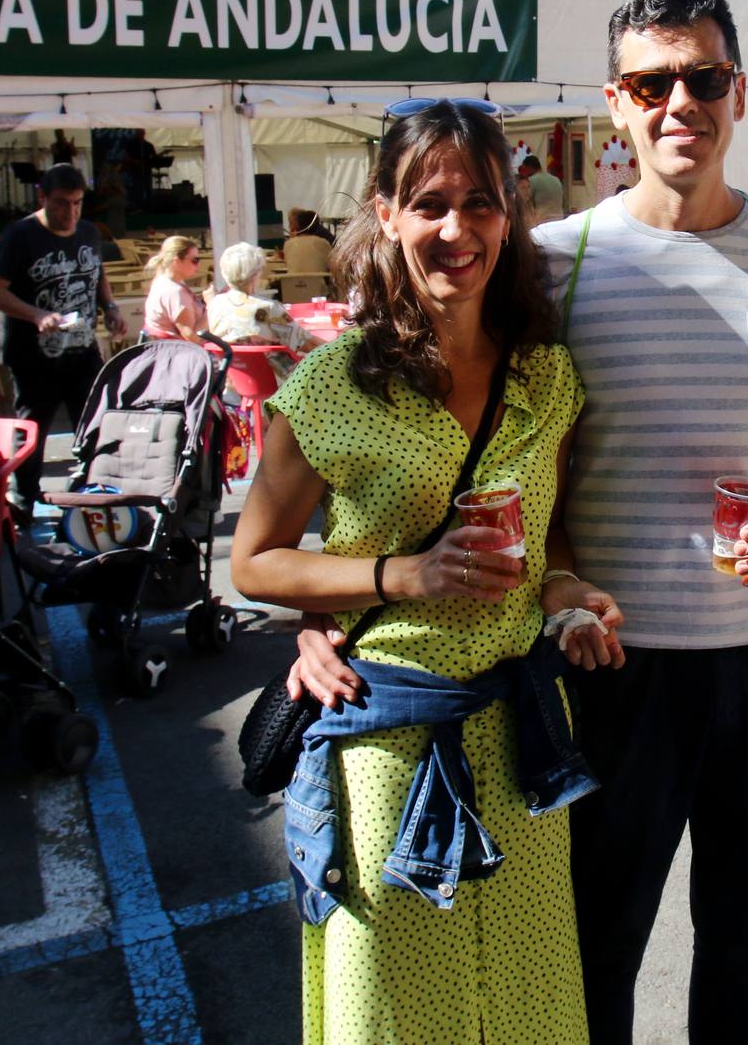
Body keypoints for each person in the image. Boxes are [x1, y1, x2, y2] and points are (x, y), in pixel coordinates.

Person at [234, 100, 625, 1045]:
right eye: (429, 203)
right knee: (399, 1009)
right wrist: (398, 578)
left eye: (481, 203)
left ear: (509, 216)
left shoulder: (547, 377)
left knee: (525, 999)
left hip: (523, 739)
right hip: (385, 745)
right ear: (386, 212)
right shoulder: (334, 382)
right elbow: (254, 561)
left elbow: (553, 545)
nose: (457, 230)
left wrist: (570, 599)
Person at [530, 0, 748, 1043]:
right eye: (652, 82)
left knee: (745, 931)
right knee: (599, 934)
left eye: (702, 78)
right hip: (611, 665)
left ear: (739, 92)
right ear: (615, 103)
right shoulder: (557, 263)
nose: (681, 103)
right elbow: (519, 463)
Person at [0, 164, 128, 511]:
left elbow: (97, 272)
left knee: (94, 424)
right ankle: (22, 500)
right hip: (34, 355)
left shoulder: (89, 232)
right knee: (32, 429)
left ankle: (91, 495)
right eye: (62, 203)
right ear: (42, 197)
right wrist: (35, 314)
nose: (70, 212)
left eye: (77, 203)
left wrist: (110, 307)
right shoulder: (20, 236)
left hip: (81, 349)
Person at [205, 242, 326, 370]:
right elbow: (308, 345)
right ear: (257, 273)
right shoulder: (267, 308)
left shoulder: (215, 304)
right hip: (277, 380)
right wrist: (339, 347)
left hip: (232, 380)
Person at [140, 235, 209, 343]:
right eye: (195, 260)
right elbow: (194, 339)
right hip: (181, 355)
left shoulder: (162, 281)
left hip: (162, 352)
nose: (199, 265)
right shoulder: (174, 292)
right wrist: (211, 306)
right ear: (177, 261)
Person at [282, 208, 336, 280]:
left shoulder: (288, 244)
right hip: (319, 288)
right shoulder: (323, 243)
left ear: (298, 224)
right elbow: (332, 265)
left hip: (293, 288)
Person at [518, 153, 565, 223]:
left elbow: (524, 200)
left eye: (525, 169)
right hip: (560, 219)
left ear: (529, 168)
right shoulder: (556, 179)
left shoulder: (532, 180)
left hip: (543, 222)